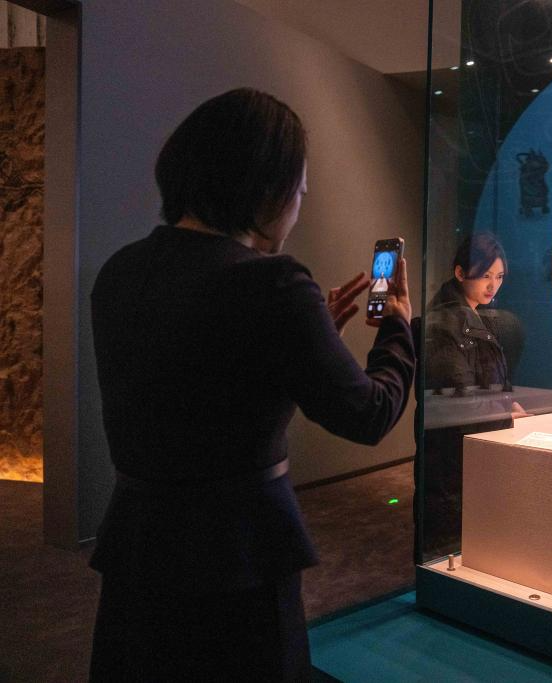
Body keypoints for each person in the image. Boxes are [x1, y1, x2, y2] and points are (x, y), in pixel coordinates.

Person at [88, 88, 415, 681]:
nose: (298, 207)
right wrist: (397, 326)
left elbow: (200, 379)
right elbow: (368, 415)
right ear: (267, 189)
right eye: (299, 191)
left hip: (139, 543)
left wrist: (304, 336)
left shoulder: (119, 271)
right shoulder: (273, 284)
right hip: (236, 553)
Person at [414, 233, 525, 561]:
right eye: (485, 275)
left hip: (468, 455)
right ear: (460, 273)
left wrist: (506, 404)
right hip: (451, 460)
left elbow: (481, 380)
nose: (493, 286)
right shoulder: (444, 323)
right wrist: (503, 411)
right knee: (449, 553)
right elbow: (458, 400)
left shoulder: (475, 317)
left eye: (499, 277)